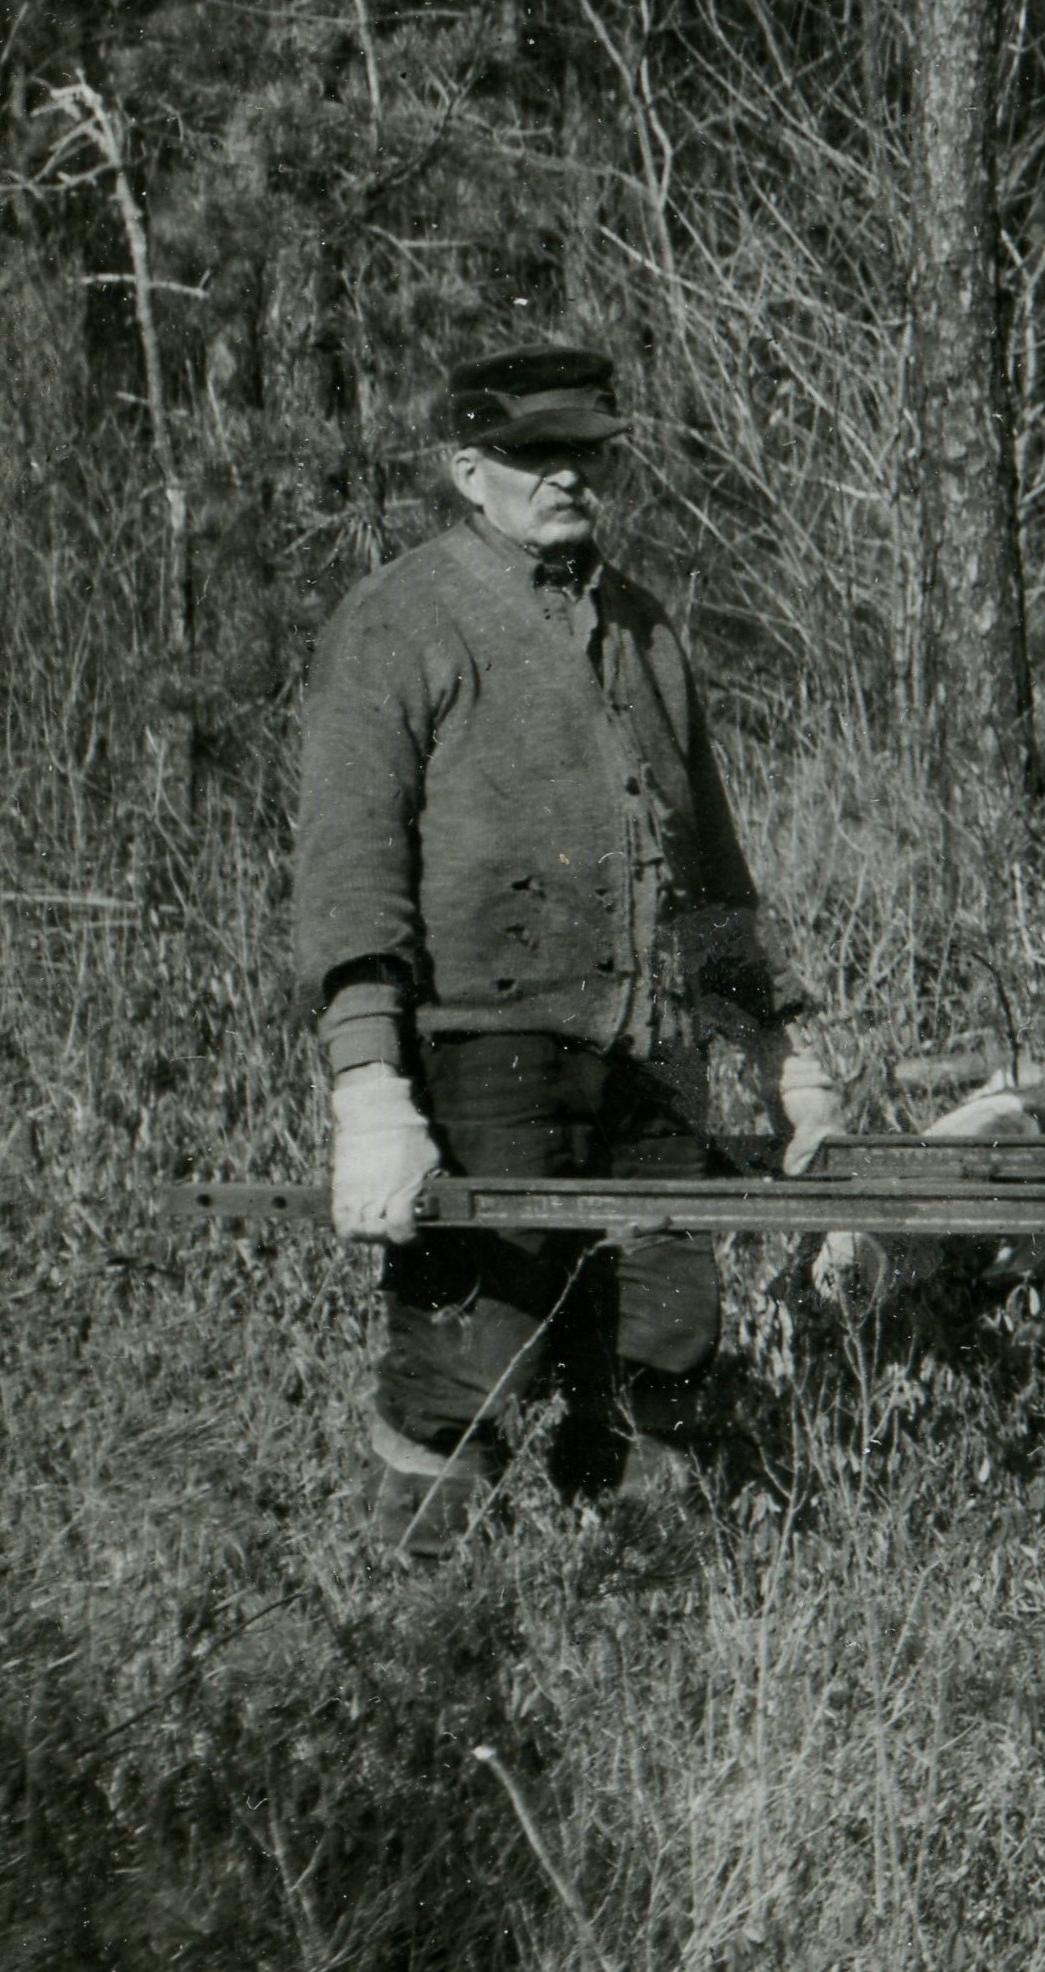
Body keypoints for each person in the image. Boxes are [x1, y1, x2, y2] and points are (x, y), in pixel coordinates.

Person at [289, 343, 808, 1527]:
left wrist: (779, 1048)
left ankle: (644, 1633)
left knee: (663, 1344)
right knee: (470, 1367)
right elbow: (352, 879)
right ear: (469, 469)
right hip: (489, 1060)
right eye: (536, 455)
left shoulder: (644, 629)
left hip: (654, 1059)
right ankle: (425, 1649)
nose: (568, 477)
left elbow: (714, 867)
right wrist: (370, 1092)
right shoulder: (397, 623)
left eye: (585, 453)